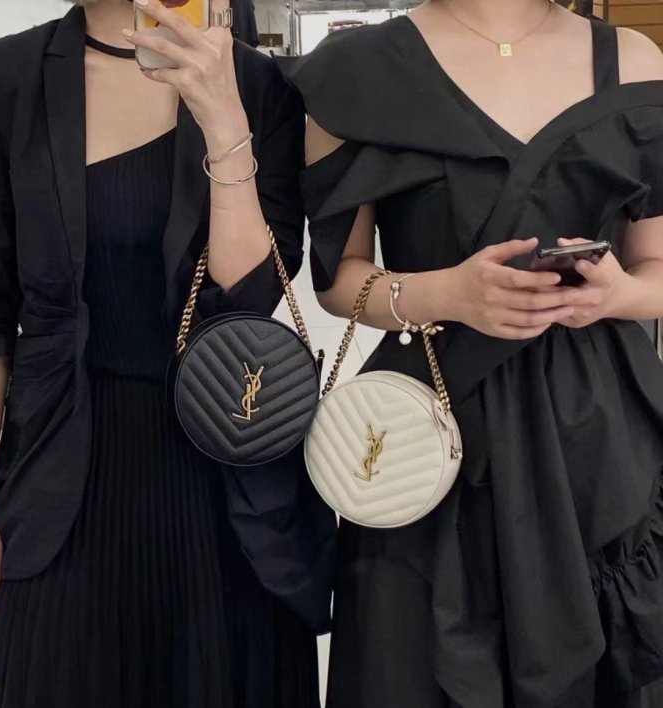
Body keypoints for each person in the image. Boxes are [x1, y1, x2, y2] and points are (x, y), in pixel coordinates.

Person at [0, 0, 334, 705]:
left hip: (229, 477)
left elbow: (248, 298)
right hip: (62, 477)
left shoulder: (259, 85)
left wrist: (223, 120)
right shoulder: (1, 77)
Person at [281, 0, 663, 705]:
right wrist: (447, 294)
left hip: (594, 436)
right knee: (417, 663)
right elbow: (338, 281)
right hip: (429, 433)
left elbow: (656, 269)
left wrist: (616, 295)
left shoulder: (634, 63)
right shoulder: (356, 70)